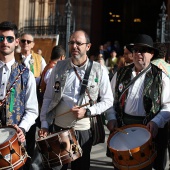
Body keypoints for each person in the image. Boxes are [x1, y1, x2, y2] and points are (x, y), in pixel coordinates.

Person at [39, 30, 113, 170]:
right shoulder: (59, 67)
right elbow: (48, 97)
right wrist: (44, 123)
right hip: (58, 129)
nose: (74, 46)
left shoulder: (99, 70)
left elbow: (108, 100)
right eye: (71, 42)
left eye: (79, 43)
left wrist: (88, 111)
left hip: (83, 131)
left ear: (88, 46)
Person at [106, 34, 170, 170]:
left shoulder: (161, 77)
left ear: (151, 54)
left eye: (143, 50)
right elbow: (109, 100)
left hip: (148, 132)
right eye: (135, 50)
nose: (138, 53)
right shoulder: (120, 74)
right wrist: (111, 117)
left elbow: (168, 105)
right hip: (122, 129)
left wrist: (156, 122)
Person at [0, 21, 38, 169]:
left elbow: (32, 109)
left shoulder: (26, 74)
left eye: (9, 38)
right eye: (1, 38)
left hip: (14, 143)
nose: (5, 42)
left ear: (16, 42)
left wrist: (22, 129)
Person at [15, 33, 46, 169]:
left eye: (29, 41)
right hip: (15, 105)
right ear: (19, 43)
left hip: (33, 102)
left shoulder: (39, 59)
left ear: (33, 44)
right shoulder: (13, 57)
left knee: (30, 138)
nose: (26, 43)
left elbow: (45, 79)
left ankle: (27, 163)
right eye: (23, 41)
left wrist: (35, 81)